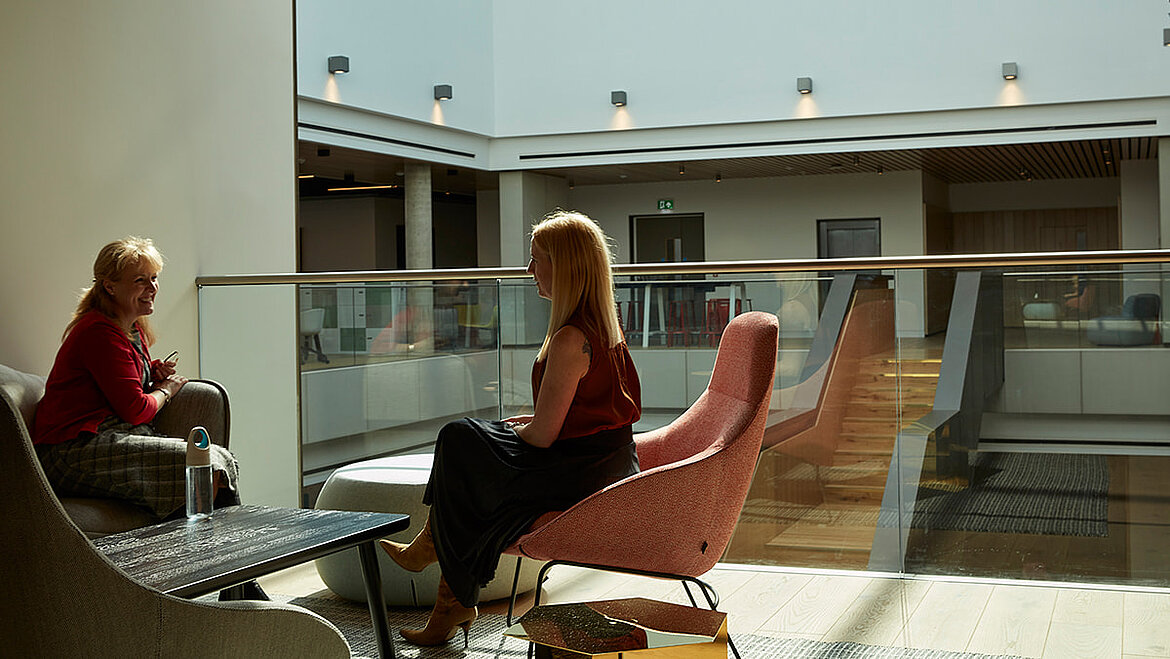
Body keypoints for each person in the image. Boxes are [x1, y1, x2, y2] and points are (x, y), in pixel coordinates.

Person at [379, 210, 642, 647]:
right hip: (602, 461)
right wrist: (512, 431)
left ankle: (440, 564)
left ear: (566, 267)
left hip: (580, 472)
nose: (528, 269)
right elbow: (575, 418)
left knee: (459, 439)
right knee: (468, 447)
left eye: (537, 258)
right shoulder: (602, 329)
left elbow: (542, 437)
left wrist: (510, 433)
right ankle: (444, 585)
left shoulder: (569, 339)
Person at [33, 237, 264, 599]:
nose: (152, 287)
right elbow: (136, 408)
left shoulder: (131, 328)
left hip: (107, 438)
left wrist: (153, 371)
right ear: (110, 285)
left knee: (207, 462)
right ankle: (231, 585)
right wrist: (168, 389)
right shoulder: (98, 332)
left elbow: (121, 380)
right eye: (140, 280)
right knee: (204, 460)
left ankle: (215, 583)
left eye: (154, 278)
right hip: (73, 449)